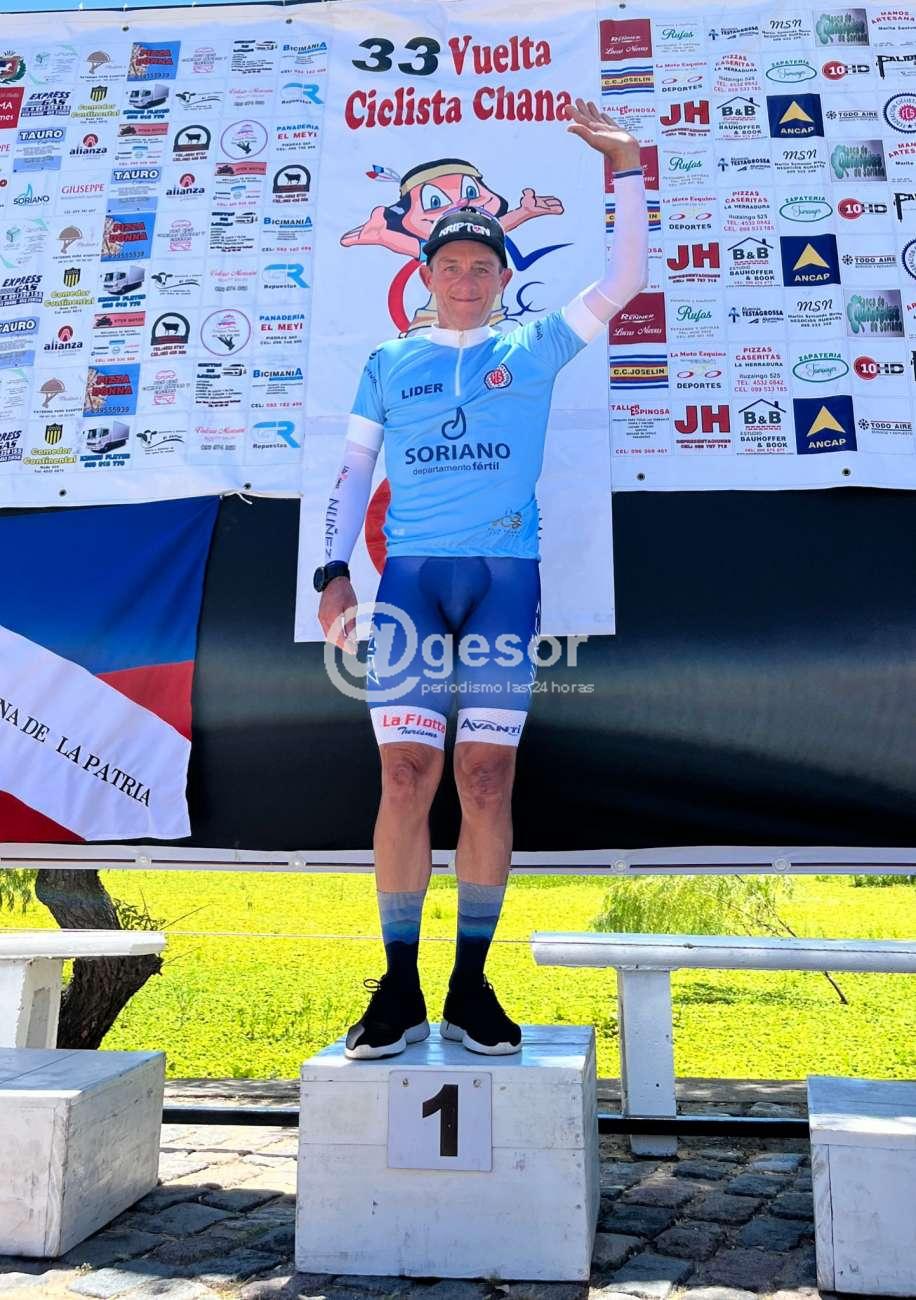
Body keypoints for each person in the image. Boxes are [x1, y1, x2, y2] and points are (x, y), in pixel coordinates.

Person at [314, 100, 648, 1059]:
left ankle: (469, 985)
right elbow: (353, 473)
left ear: (504, 279)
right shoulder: (388, 361)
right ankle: (399, 986)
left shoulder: (533, 346)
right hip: (412, 583)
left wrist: (626, 165)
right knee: (405, 775)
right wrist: (333, 573)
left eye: (482, 267)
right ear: (425, 276)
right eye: (451, 266)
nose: (465, 280)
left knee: (487, 778)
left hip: (504, 582)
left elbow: (625, 278)